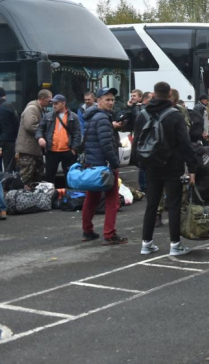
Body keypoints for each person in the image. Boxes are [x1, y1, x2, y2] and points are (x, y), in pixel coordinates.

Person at [136, 82, 198, 256]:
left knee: (152, 204)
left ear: (154, 94)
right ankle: (175, 244)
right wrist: (192, 167)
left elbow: (137, 140)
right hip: (172, 165)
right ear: (169, 93)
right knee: (174, 204)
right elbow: (185, 144)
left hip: (150, 165)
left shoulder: (143, 114)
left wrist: (140, 163)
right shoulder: (175, 115)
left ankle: (146, 243)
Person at [81, 87, 126, 245]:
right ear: (98, 101)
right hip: (104, 166)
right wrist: (114, 164)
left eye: (112, 99)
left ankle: (87, 231)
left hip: (92, 164)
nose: (111, 102)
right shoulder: (102, 119)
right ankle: (109, 234)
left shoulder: (92, 116)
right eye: (107, 99)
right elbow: (106, 144)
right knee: (111, 200)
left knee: (91, 198)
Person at [36, 95, 82, 183]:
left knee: (70, 176)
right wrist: (40, 138)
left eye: (56, 103)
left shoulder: (73, 117)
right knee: (49, 176)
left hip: (67, 151)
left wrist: (74, 149)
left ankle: (71, 195)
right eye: (52, 103)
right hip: (52, 150)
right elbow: (40, 129)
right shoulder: (48, 116)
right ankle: (49, 195)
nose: (54, 105)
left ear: (63, 103)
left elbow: (77, 134)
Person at [16, 90, 52, 185]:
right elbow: (30, 125)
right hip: (27, 150)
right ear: (42, 99)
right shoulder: (32, 109)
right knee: (26, 176)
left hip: (34, 150)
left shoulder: (40, 109)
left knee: (37, 176)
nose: (50, 103)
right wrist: (44, 132)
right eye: (49, 100)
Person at [0, 87, 19, 172]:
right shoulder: (9, 106)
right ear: (5, 96)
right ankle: (7, 183)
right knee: (9, 165)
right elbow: (16, 123)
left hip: (3, 138)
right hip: (8, 140)